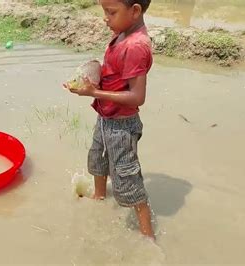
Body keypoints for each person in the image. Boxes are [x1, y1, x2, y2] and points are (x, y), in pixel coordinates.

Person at [64, 0, 155, 239]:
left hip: (122, 126)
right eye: (104, 11)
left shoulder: (136, 45)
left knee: (127, 178)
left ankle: (148, 237)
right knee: (97, 160)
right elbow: (114, 73)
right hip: (106, 118)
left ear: (135, 11)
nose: (105, 18)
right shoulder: (122, 33)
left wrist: (93, 93)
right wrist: (91, 79)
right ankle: (99, 199)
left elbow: (137, 96)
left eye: (111, 12)